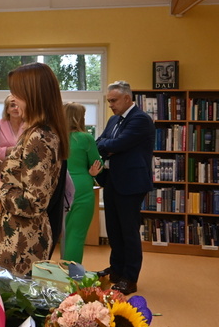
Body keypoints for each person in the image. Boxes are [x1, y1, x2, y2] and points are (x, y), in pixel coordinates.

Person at [0, 63, 69, 276]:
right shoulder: (34, 131)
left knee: (12, 294)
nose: (13, 99)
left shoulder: (39, 137)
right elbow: (24, 175)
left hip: (22, 240)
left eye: (16, 93)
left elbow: (33, 203)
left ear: (32, 95)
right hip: (14, 233)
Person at [94, 81, 155, 295]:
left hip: (131, 183)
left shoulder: (140, 119)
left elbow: (118, 144)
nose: (110, 105)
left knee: (128, 232)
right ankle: (116, 270)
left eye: (114, 100)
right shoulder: (114, 120)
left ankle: (129, 278)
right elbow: (100, 142)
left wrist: (110, 146)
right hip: (112, 179)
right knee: (114, 229)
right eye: (109, 101)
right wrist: (109, 147)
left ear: (127, 98)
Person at [61, 103, 103, 263]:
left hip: (61, 186)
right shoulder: (85, 138)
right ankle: (71, 273)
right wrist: (94, 171)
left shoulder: (56, 137)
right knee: (76, 234)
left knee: (63, 232)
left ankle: (60, 269)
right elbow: (97, 163)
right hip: (81, 187)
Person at [0, 93, 25, 175]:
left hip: (23, 172)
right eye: (12, 105)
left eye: (19, 106)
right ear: (7, 110)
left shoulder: (29, 126)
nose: (16, 108)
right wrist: (7, 150)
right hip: (1, 172)